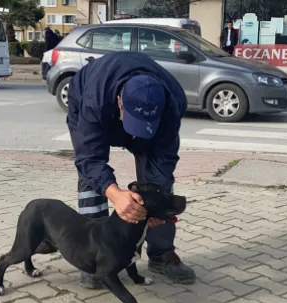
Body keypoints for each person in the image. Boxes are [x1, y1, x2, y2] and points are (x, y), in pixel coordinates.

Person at [66, 51, 197, 289]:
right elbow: (90, 158)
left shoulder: (173, 101)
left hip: (150, 124)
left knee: (160, 192)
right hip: (89, 102)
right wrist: (114, 193)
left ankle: (161, 254)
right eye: (134, 124)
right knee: (93, 180)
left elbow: (163, 160)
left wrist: (155, 210)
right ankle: (94, 258)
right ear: (119, 101)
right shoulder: (95, 100)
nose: (136, 134)